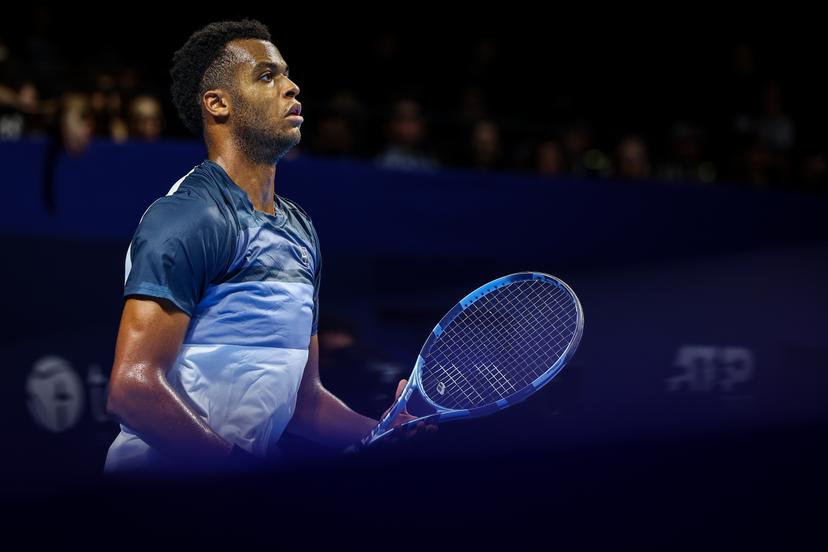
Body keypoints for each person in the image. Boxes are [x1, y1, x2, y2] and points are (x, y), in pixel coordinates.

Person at [103, 19, 433, 477]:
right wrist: (235, 472)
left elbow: (304, 402)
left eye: (286, 73)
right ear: (218, 104)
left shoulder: (301, 230)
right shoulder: (189, 215)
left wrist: (380, 434)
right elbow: (132, 389)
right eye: (266, 75)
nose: (292, 87)